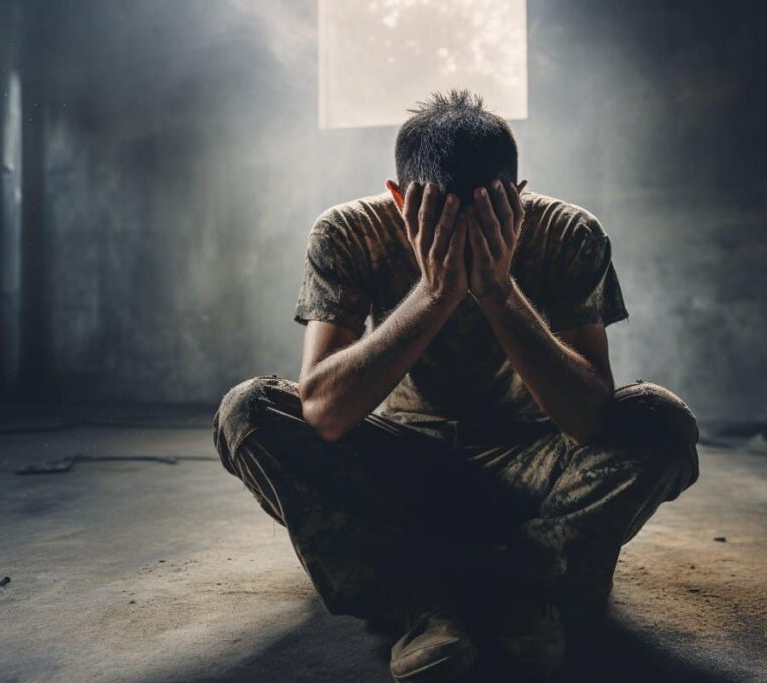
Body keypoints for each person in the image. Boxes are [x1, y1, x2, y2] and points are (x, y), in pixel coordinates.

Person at [213, 89, 699, 682]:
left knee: (660, 418)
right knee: (250, 410)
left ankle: (524, 589)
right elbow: (325, 412)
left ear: (517, 199)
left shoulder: (569, 233)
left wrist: (498, 290)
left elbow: (592, 418)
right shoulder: (349, 231)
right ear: (398, 198)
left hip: (533, 465)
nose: (461, 237)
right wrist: (434, 293)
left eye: (487, 216)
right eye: (439, 219)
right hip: (401, 467)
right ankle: (417, 599)